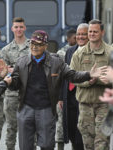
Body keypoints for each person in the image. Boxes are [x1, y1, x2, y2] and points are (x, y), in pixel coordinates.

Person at [6, 30, 105, 150]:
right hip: (26, 110)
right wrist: (9, 81)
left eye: (38, 44)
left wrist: (89, 74)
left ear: (45, 46)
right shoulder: (21, 62)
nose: (34, 47)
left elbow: (72, 75)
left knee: (47, 145)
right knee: (25, 146)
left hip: (46, 109)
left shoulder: (56, 62)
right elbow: (15, 84)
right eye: (32, 44)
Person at [70, 19, 113, 150]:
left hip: (104, 106)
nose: (92, 34)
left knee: (102, 143)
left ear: (102, 32)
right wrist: (89, 81)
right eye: (90, 31)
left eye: (95, 31)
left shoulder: (110, 52)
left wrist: (109, 79)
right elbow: (72, 77)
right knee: (88, 144)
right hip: (85, 106)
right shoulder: (79, 53)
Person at [58, 23, 89, 150]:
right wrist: (61, 97)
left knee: (81, 134)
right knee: (70, 130)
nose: (80, 37)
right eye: (79, 34)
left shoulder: (91, 51)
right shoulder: (70, 51)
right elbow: (64, 75)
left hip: (84, 97)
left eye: (84, 34)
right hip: (69, 97)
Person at [1, 17, 30, 150]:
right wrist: (8, 71)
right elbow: (4, 72)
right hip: (11, 95)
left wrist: (16, 70)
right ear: (12, 29)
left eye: (21, 27)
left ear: (25, 28)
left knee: (29, 128)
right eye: (16, 27)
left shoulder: (33, 47)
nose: (18, 29)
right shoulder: (6, 50)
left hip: (30, 94)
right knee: (11, 128)